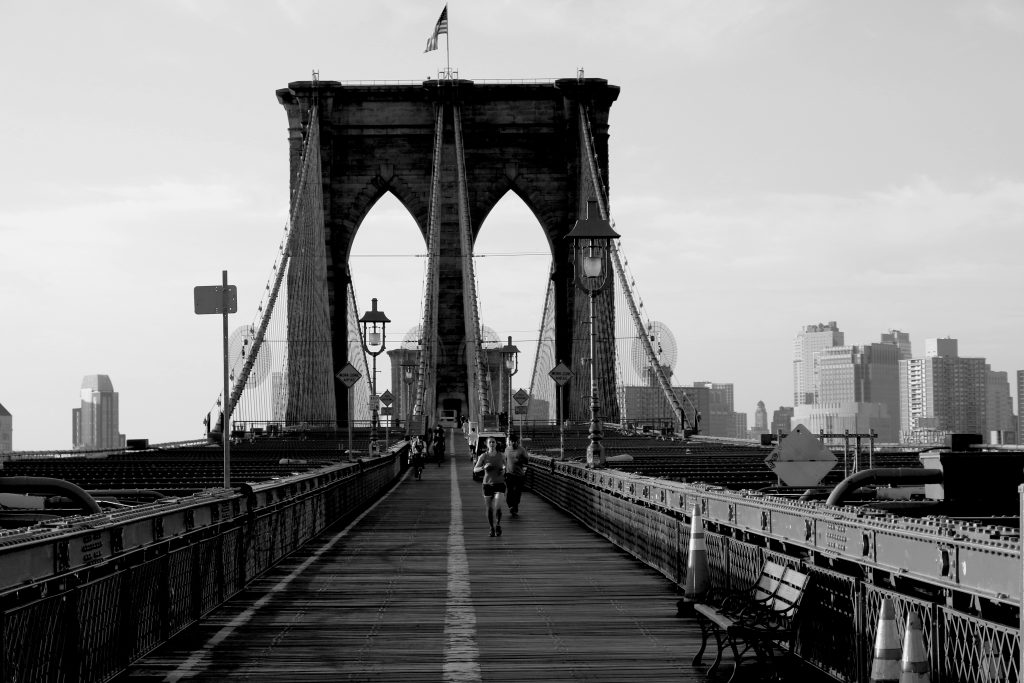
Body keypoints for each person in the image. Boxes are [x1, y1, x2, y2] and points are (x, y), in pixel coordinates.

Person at [472, 437, 506, 537]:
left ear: (496, 444)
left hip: (499, 483)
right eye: (490, 442)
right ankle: (491, 527)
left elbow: (506, 467)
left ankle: (498, 525)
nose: (492, 444)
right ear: (487, 444)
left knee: (498, 507)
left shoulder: (502, 455)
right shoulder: (483, 456)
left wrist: (504, 470)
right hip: (487, 484)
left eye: (493, 442)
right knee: (489, 508)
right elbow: (475, 470)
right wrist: (484, 467)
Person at [504, 433, 529, 518]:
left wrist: (520, 460)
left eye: (515, 441)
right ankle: (511, 506)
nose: (514, 443)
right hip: (509, 474)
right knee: (509, 492)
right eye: (512, 441)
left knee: (517, 493)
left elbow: (527, 461)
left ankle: (515, 507)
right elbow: (505, 461)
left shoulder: (522, 450)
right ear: (510, 441)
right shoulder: (507, 450)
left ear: (517, 442)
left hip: (519, 475)